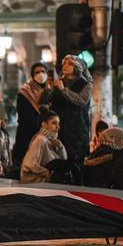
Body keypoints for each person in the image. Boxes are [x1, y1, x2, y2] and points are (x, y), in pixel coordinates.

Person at [45, 55, 92, 184]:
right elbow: (44, 101)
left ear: (77, 67)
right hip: (59, 129)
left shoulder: (85, 85)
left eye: (69, 64)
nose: (65, 66)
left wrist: (63, 90)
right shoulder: (59, 82)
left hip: (77, 131)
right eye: (64, 63)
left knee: (75, 164)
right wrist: (48, 87)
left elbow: (81, 100)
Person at [13, 62, 50, 172]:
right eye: (37, 72)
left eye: (43, 71)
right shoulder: (25, 92)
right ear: (32, 75)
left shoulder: (50, 91)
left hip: (45, 134)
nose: (40, 74)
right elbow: (24, 116)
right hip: (27, 134)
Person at [20, 109, 70, 183]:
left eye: (58, 123)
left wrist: (60, 147)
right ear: (44, 125)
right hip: (40, 186)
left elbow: (64, 163)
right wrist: (47, 173)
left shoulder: (52, 141)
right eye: (54, 123)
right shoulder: (40, 140)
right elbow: (28, 165)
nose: (58, 127)